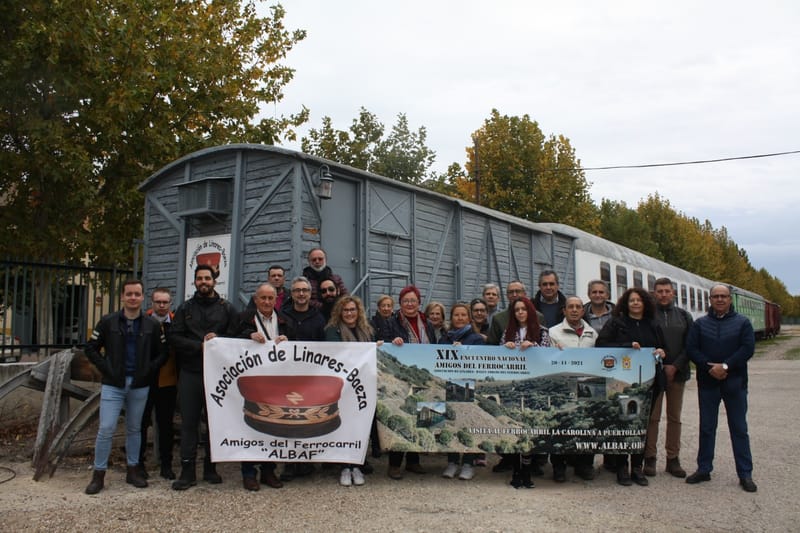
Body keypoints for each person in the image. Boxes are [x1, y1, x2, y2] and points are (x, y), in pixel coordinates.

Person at [84, 279, 167, 494]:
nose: (132, 298)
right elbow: (91, 348)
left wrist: (148, 370)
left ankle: (133, 470)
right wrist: (106, 368)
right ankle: (98, 474)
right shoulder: (108, 322)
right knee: (106, 428)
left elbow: (163, 353)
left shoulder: (152, 325)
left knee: (134, 428)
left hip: (140, 385)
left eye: (137, 294)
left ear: (142, 297)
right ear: (122, 296)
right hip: (113, 384)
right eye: (129, 294)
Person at [169, 265, 239, 490]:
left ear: (214, 281)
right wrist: (199, 346)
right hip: (191, 372)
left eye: (207, 278)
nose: (203, 282)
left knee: (215, 423)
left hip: (219, 376)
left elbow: (238, 336)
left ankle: (211, 468)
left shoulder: (227, 308)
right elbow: (174, 337)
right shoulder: (185, 308)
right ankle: (187, 471)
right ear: (195, 282)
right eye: (199, 278)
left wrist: (218, 340)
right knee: (188, 423)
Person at [685, 284, 757, 493]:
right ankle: (704, 469)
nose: (719, 300)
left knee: (739, 429)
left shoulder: (742, 323)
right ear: (710, 299)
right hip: (708, 383)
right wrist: (710, 367)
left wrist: (725, 366)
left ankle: (745, 473)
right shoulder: (700, 324)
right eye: (715, 296)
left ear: (730, 299)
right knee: (707, 428)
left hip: (735, 383)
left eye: (723, 296)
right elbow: (692, 349)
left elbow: (747, 348)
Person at [596, 288, 666, 487]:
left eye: (639, 300)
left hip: (650, 382)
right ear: (626, 304)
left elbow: (663, 348)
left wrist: (662, 351)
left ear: (645, 303)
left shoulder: (653, 324)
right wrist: (626, 345)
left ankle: (637, 467)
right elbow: (601, 345)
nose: (635, 303)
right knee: (623, 423)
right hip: (623, 383)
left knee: (640, 426)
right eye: (631, 300)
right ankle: (621, 467)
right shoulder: (616, 323)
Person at [234, 283, 289, 491]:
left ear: (276, 300)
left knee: (273, 424)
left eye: (270, 298)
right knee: (251, 424)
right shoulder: (243, 319)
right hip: (252, 380)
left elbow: (296, 348)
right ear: (255, 300)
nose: (266, 302)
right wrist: (247, 336)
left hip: (276, 381)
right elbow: (228, 341)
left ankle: (268, 470)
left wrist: (288, 340)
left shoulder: (284, 321)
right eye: (262, 298)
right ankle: (248, 472)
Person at [324, 296, 377, 487]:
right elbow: (336, 354)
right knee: (343, 425)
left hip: (363, 387)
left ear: (358, 311)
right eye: (345, 310)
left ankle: (357, 465)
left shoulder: (367, 330)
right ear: (340, 312)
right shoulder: (332, 331)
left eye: (352, 310)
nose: (349, 313)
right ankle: (344, 467)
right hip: (343, 386)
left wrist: (375, 348)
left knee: (360, 426)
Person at [385, 284, 436, 480]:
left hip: (423, 374)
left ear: (419, 303)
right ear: (400, 303)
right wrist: (393, 342)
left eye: (413, 301)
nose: (409, 304)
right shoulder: (391, 322)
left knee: (422, 415)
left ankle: (414, 461)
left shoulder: (427, 324)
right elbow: (383, 343)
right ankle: (395, 463)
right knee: (403, 414)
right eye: (405, 301)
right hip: (401, 375)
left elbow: (433, 347)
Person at [500, 296, 551, 488]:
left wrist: (533, 346)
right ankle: (515, 472)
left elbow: (547, 354)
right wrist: (506, 347)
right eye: (517, 310)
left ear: (530, 311)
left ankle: (527, 473)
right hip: (513, 386)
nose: (520, 312)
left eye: (523, 309)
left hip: (533, 386)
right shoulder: (508, 332)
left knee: (529, 431)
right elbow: (498, 355)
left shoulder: (542, 332)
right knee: (515, 430)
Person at [644, 278, 693, 478]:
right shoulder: (648, 316)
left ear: (673, 293)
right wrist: (660, 366)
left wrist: (675, 366)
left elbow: (691, 345)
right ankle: (650, 458)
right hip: (653, 374)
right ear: (654, 293)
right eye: (659, 291)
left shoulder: (683, 316)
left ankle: (673, 459)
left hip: (677, 374)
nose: (663, 294)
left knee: (674, 418)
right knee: (652, 418)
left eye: (667, 291)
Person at [279, 276, 326, 481]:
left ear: (309, 293)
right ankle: (290, 463)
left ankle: (306, 460)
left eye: (304, 290)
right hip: (287, 374)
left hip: (310, 375)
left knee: (307, 417)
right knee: (289, 417)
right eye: (297, 290)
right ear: (292, 293)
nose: (301, 294)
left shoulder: (318, 317)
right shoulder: (282, 315)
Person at [548, 295, 597, 482]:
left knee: (587, 426)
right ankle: (559, 467)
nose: (575, 310)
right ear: (564, 310)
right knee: (560, 424)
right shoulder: (553, 333)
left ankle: (585, 465)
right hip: (561, 385)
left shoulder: (593, 333)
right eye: (571, 307)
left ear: (583, 311)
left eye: (578, 307)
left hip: (587, 385)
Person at [441, 303, 484, 480]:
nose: (459, 318)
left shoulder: (476, 339)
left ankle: (468, 463)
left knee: (467, 423)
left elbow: (480, 361)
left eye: (463, 315)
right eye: (456, 315)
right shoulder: (444, 338)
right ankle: (452, 461)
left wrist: (464, 352)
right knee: (450, 423)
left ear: (469, 318)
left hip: (467, 386)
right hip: (448, 385)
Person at [139, 287, 178, 480]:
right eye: (158, 302)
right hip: (145, 381)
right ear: (152, 303)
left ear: (170, 303)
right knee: (141, 423)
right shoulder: (143, 322)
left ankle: (166, 464)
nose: (162, 305)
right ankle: (138, 463)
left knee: (166, 425)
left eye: (165, 302)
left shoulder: (176, 323)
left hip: (168, 380)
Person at [486, 281, 527, 346]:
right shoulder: (498, 318)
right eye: (511, 292)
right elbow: (491, 346)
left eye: (518, 291)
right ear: (507, 296)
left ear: (525, 294)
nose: (514, 295)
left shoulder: (538, 316)